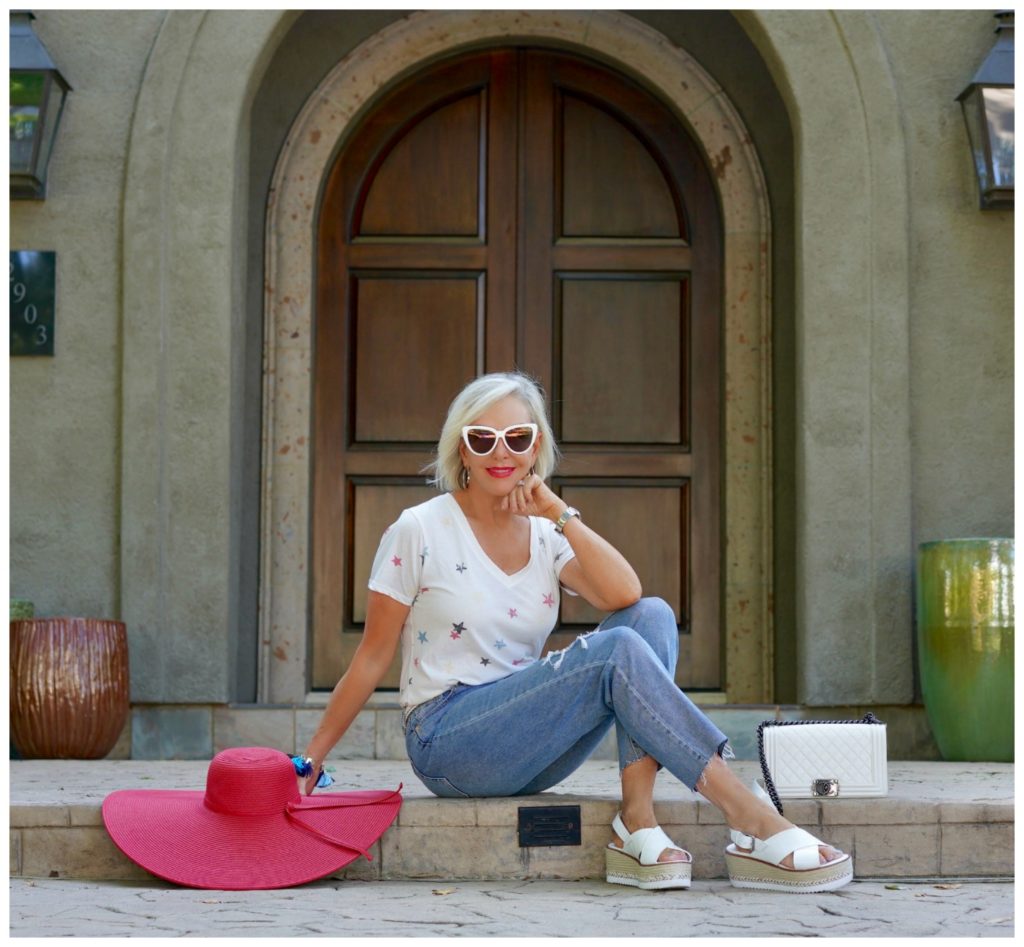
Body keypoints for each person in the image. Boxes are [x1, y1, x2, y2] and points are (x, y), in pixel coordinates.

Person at [298, 371, 852, 893]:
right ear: (461, 448)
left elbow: (625, 595)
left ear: (536, 448)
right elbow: (371, 658)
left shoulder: (545, 533)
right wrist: (313, 757)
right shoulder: (419, 528)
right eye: (482, 438)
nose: (501, 453)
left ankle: (636, 822)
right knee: (613, 651)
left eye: (517, 437)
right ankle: (748, 815)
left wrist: (558, 510)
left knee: (651, 616)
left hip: (532, 737)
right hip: (449, 741)